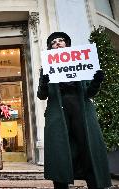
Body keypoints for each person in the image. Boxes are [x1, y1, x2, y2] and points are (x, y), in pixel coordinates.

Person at [37, 32, 111, 189]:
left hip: (82, 110)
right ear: (50, 48)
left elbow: (90, 92)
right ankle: (61, 185)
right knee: (60, 150)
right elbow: (41, 95)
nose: (57, 43)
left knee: (88, 146)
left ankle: (95, 183)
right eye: (53, 42)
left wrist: (96, 81)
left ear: (67, 44)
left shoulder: (81, 62)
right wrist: (44, 82)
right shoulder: (46, 67)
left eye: (61, 41)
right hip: (58, 112)